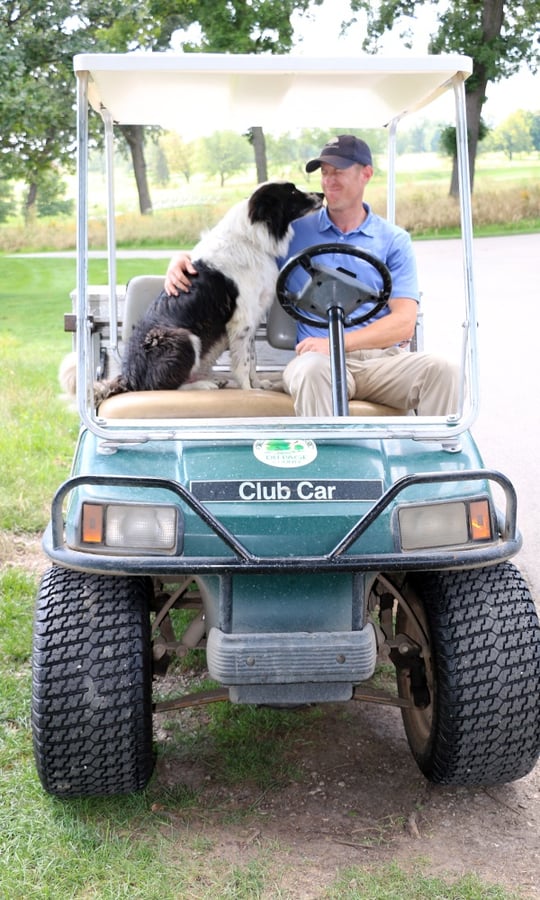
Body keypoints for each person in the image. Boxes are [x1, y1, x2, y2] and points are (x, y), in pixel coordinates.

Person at [164, 134, 459, 426]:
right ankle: (334, 472)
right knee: (311, 372)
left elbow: (403, 322)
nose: (329, 181)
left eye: (339, 172)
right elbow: (231, 251)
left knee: (443, 370)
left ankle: (437, 465)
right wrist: (182, 259)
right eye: (325, 173)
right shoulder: (293, 232)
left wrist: (336, 342)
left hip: (381, 362)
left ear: (366, 174)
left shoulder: (393, 240)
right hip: (318, 363)